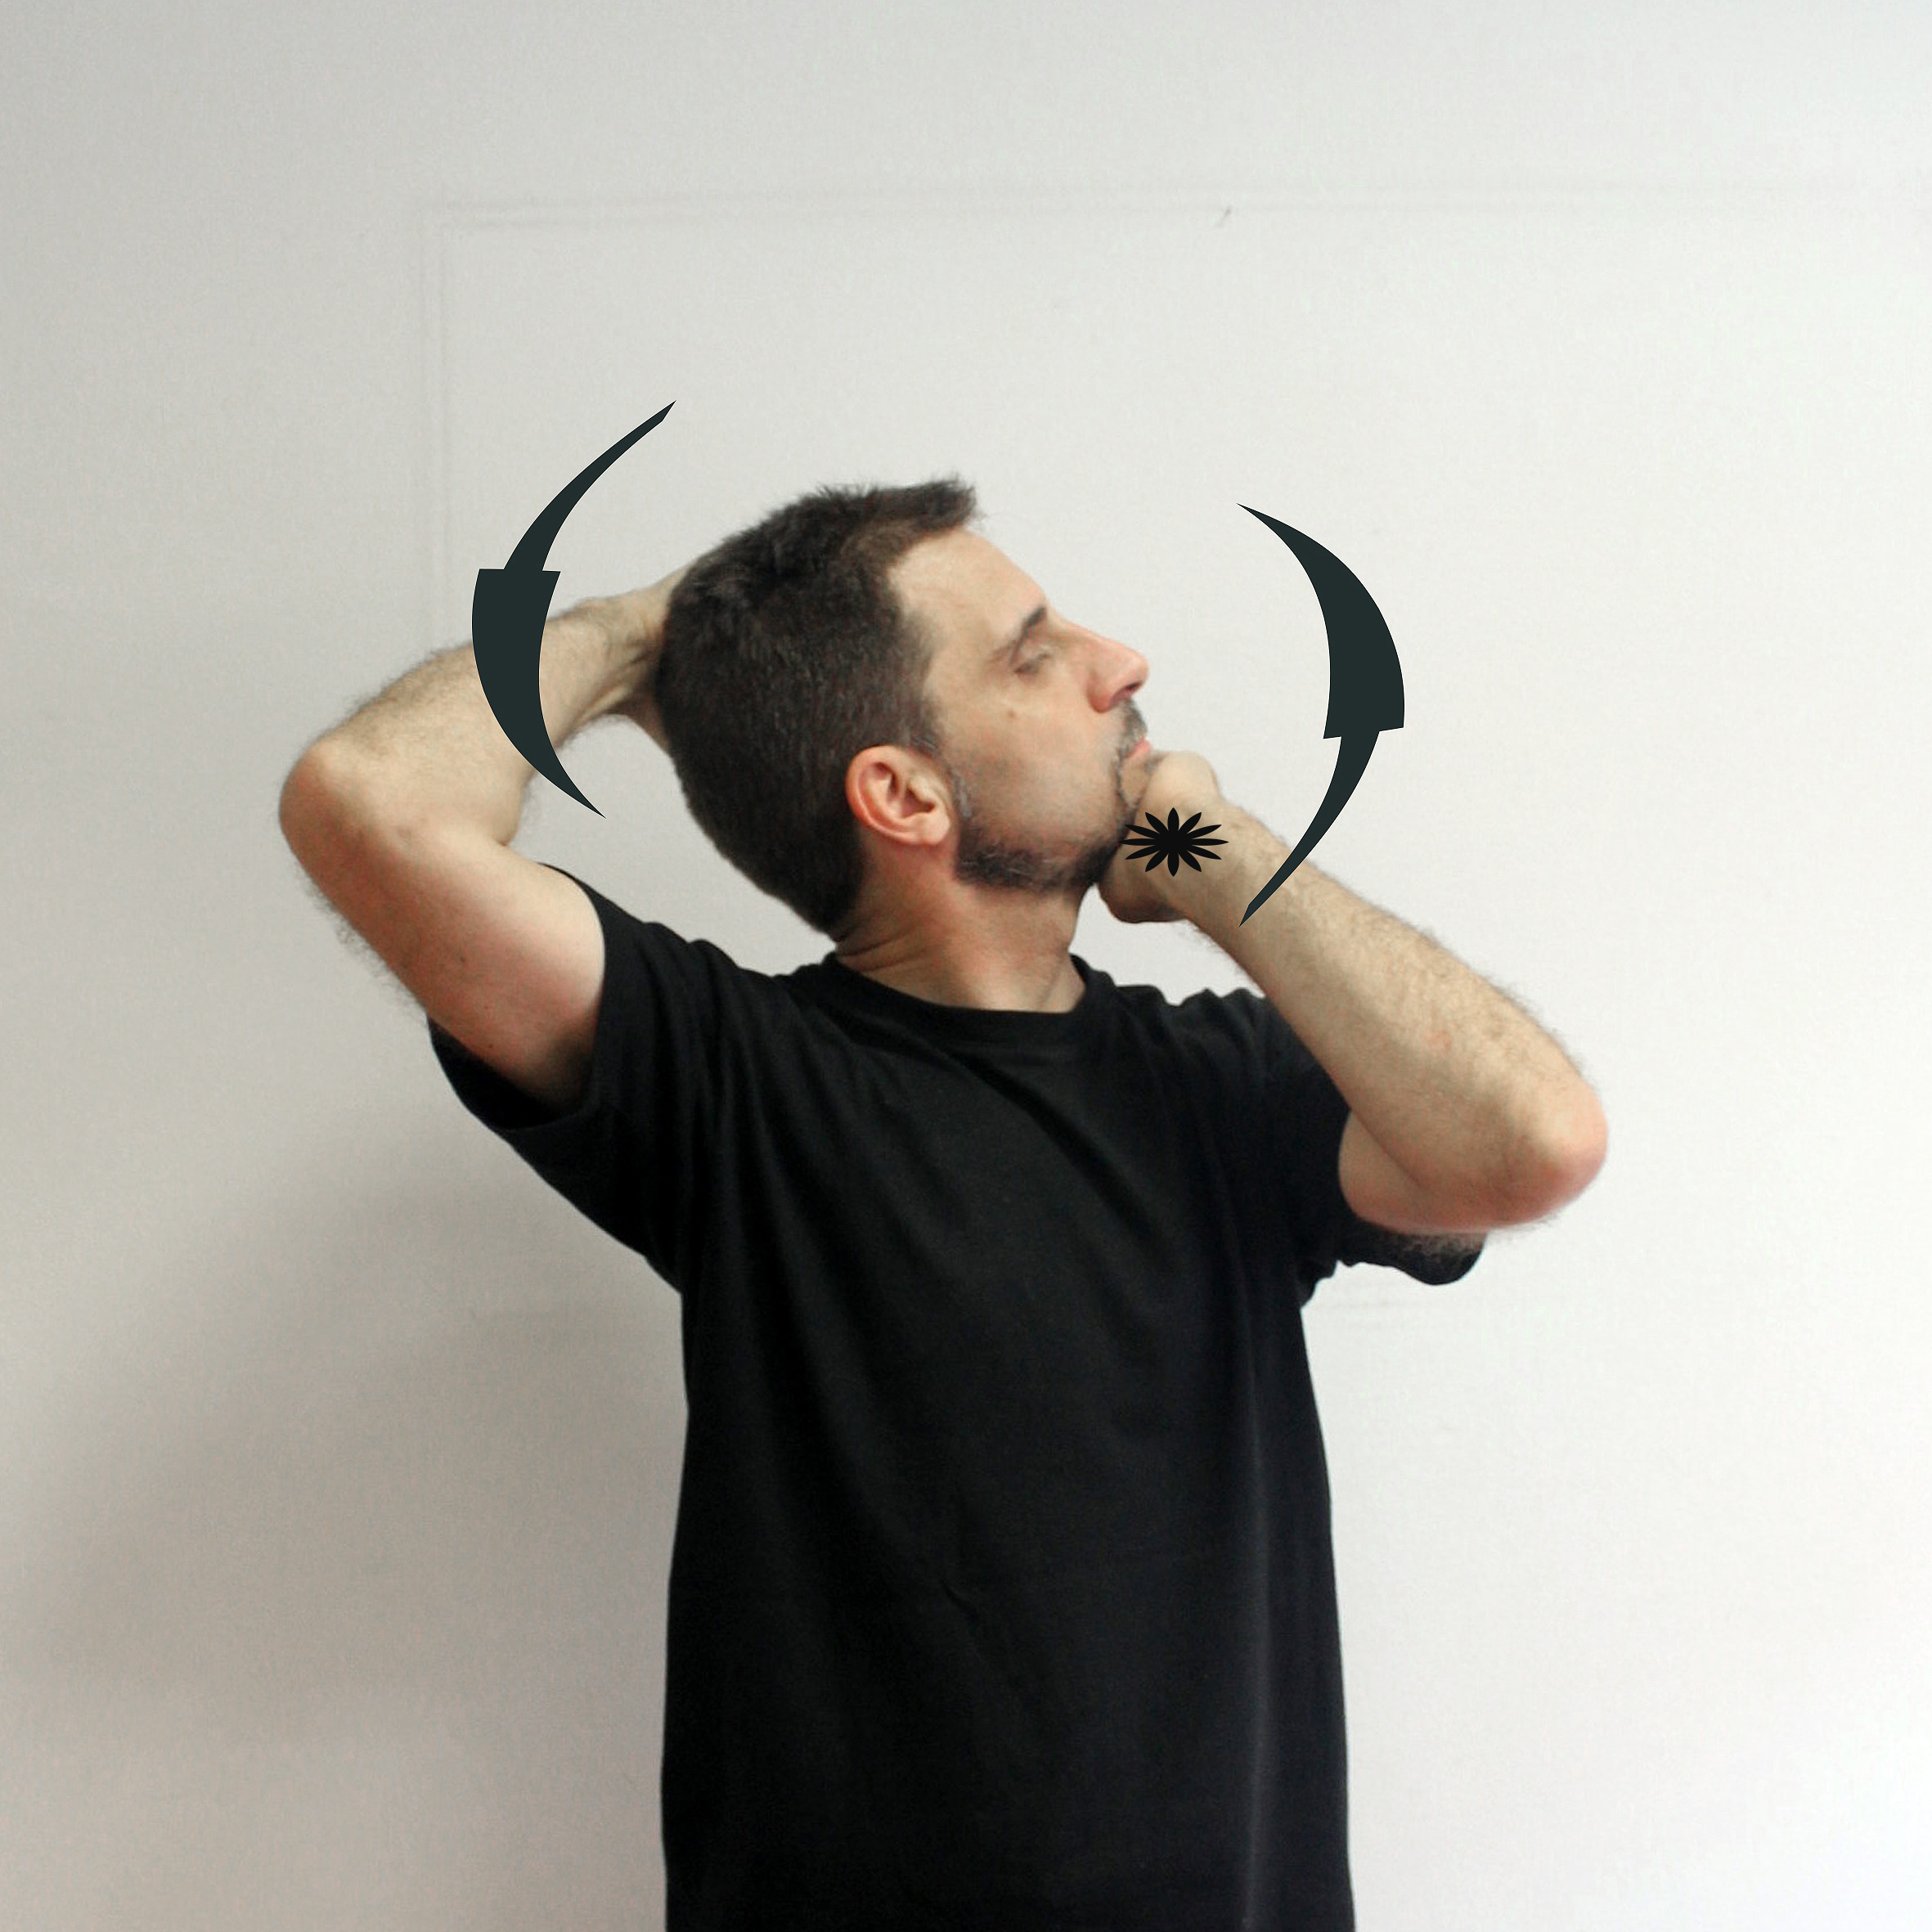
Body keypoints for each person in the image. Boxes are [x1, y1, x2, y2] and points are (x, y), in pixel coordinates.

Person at [278, 476, 1606, 1930]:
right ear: (903, 795)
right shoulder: (730, 1082)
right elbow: (369, 804)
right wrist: (641, 626)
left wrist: (1210, 853)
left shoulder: (1229, 1091)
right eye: (1033, 654)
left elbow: (1530, 1141)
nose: (1121, 663)